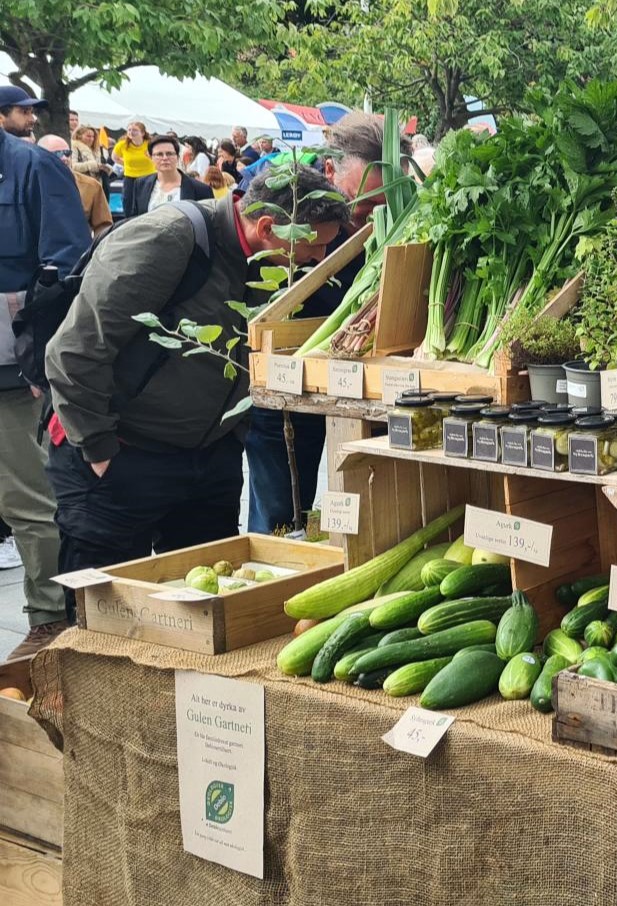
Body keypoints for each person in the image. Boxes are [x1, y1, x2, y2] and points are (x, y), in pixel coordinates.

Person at [44, 166, 348, 588]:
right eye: (314, 248)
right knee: (104, 610)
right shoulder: (166, 239)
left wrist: (229, 440)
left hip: (207, 462)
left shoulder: (271, 263)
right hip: (123, 458)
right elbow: (74, 350)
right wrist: (99, 451)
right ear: (266, 226)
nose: (319, 260)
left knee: (207, 602)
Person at [245, 113, 406, 537]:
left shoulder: (399, 221)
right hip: (287, 381)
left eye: (386, 205)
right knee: (279, 513)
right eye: (365, 203)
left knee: (356, 507)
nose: (374, 216)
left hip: (360, 383)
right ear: (330, 169)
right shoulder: (285, 203)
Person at [0, 117, 91, 658]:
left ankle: (49, 622)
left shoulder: (31, 167)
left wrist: (40, 364)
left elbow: (67, 270)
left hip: (12, 372)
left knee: (30, 505)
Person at [38, 136, 112, 237]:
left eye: (67, 153)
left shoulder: (91, 186)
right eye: (57, 154)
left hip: (79, 249)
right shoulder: (29, 184)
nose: (64, 158)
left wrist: (94, 249)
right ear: (40, 155)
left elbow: (103, 225)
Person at [123, 134, 211, 218]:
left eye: (169, 154)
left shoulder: (200, 189)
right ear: (151, 157)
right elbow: (135, 218)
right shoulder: (141, 184)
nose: (165, 158)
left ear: (177, 156)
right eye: (159, 154)